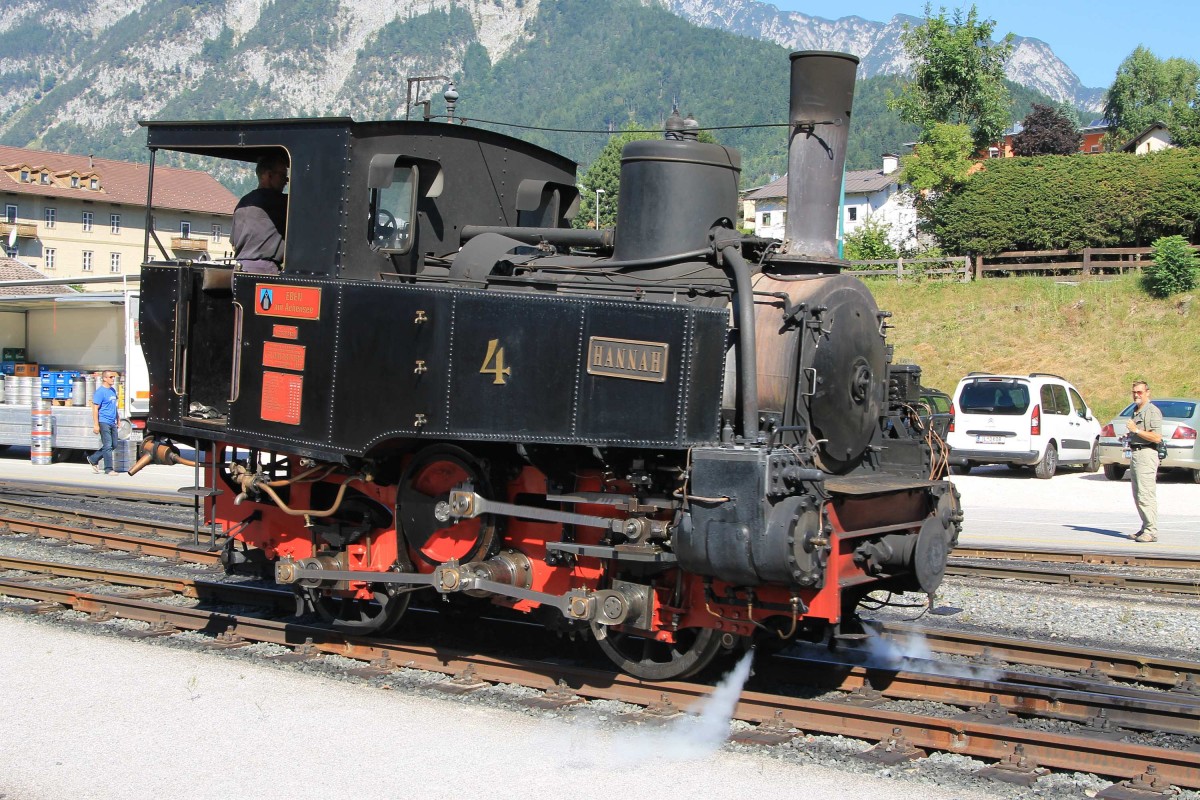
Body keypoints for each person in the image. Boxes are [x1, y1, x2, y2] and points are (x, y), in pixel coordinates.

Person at [231, 153, 288, 273]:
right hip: (265, 270)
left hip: (240, 269)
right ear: (269, 175)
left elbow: (233, 243)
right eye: (283, 176)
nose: (286, 181)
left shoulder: (243, 202)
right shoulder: (280, 202)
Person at [1125, 380, 1163, 543]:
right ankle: (1145, 526)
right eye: (1134, 392)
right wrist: (1131, 436)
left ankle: (1151, 530)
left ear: (1148, 392)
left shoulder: (1152, 411)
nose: (1136, 395)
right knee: (1137, 494)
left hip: (1147, 454)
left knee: (1145, 493)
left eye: (1139, 392)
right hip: (1136, 453)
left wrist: (1136, 430)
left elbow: (1156, 437)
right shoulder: (1136, 410)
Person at [88, 371, 120, 475]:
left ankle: (93, 458)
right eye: (111, 377)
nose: (113, 379)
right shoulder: (100, 392)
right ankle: (108, 469)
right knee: (107, 445)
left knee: (114, 444)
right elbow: (95, 408)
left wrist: (118, 419)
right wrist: (96, 424)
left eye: (113, 377)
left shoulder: (112, 390)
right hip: (104, 421)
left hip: (112, 422)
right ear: (104, 378)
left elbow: (114, 406)